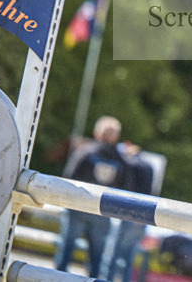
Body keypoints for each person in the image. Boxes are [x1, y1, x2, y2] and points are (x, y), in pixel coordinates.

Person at [55, 115, 131, 276]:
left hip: (78, 208)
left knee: (65, 252)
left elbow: (69, 176)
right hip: (102, 211)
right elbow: (126, 186)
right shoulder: (121, 160)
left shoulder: (86, 151)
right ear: (116, 136)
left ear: (97, 133)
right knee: (97, 259)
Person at [106, 141, 155, 281]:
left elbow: (127, 188)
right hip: (142, 216)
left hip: (127, 213)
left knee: (114, 254)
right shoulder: (149, 166)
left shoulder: (128, 165)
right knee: (129, 257)